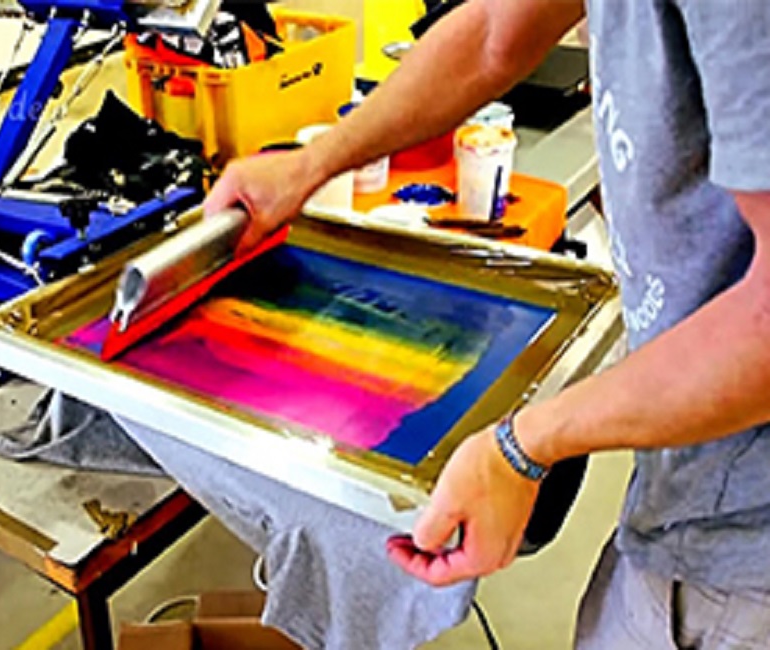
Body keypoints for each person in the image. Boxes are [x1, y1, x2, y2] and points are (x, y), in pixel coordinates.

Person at [203, 0, 770, 647]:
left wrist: (524, 445)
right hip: (693, 472)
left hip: (743, 551)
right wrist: (309, 165)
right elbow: (494, 35)